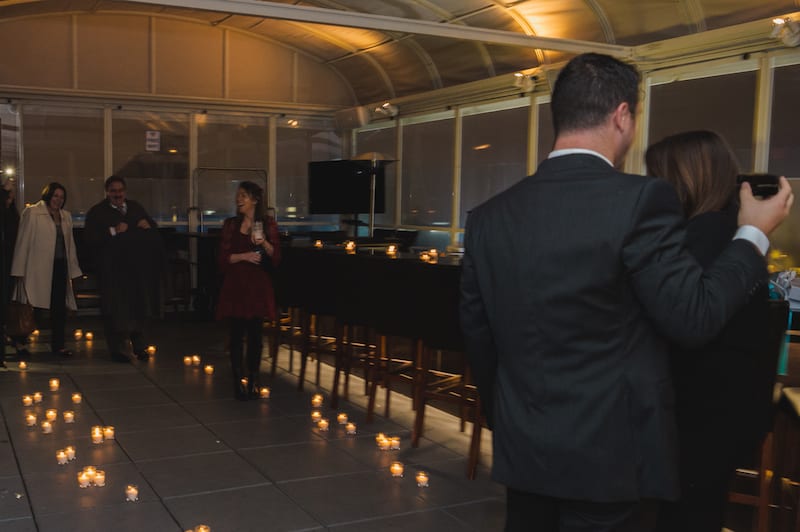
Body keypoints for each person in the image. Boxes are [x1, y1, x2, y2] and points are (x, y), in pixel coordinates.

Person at [459, 52, 793, 532]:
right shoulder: (640, 200)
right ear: (621, 116)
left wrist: (514, 421)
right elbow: (692, 317)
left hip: (527, 447)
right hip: (611, 457)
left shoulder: (488, 217)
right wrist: (753, 235)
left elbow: (479, 336)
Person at [646, 130, 785, 532]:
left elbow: (684, 322)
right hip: (729, 412)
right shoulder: (730, 230)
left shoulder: (704, 235)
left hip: (699, 416)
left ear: (685, 178)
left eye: (660, 176)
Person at [84, 175, 164, 362]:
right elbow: (90, 240)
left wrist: (148, 226)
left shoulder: (135, 208)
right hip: (113, 272)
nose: (117, 195)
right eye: (113, 191)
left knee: (138, 307)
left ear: (125, 192)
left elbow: (152, 228)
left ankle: (140, 346)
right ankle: (118, 350)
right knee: (115, 311)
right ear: (107, 192)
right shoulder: (98, 212)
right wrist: (113, 231)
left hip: (136, 270)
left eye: (120, 191)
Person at [216, 181, 280, 400]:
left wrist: (263, 244)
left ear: (255, 199)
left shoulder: (267, 223)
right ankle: (237, 382)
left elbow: (276, 256)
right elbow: (223, 259)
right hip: (236, 285)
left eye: (243, 196)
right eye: (238, 196)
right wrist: (243, 256)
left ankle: (253, 379)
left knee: (255, 335)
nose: (238, 199)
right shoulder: (231, 225)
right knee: (236, 335)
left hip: (257, 286)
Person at [10, 182, 82, 356]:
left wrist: (74, 270)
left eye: (61, 197)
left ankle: (59, 345)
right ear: (48, 195)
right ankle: (19, 340)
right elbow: (23, 242)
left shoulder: (65, 216)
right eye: (55, 195)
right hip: (37, 268)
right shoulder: (33, 212)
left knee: (59, 308)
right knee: (35, 308)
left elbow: (69, 245)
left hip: (59, 268)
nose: (58, 200)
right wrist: (19, 270)